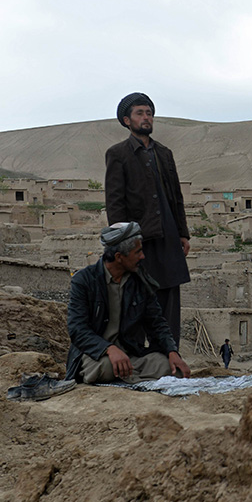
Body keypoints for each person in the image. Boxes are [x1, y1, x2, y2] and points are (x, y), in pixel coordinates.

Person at [105, 92, 191, 347]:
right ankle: (137, 360)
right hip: (138, 241)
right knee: (137, 297)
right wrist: (122, 241)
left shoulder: (164, 153)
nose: (146, 118)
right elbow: (115, 201)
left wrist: (183, 233)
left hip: (168, 238)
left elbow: (176, 196)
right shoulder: (118, 154)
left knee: (169, 298)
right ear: (126, 120)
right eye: (140, 113)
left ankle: (169, 357)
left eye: (149, 113)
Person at [64, 222, 191, 384]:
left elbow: (157, 323)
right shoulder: (84, 281)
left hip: (131, 356)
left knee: (167, 367)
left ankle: (130, 376)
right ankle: (132, 377)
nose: (142, 256)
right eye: (137, 252)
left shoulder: (140, 282)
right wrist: (108, 349)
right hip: (96, 355)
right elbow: (77, 330)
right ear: (119, 257)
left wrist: (172, 351)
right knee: (108, 367)